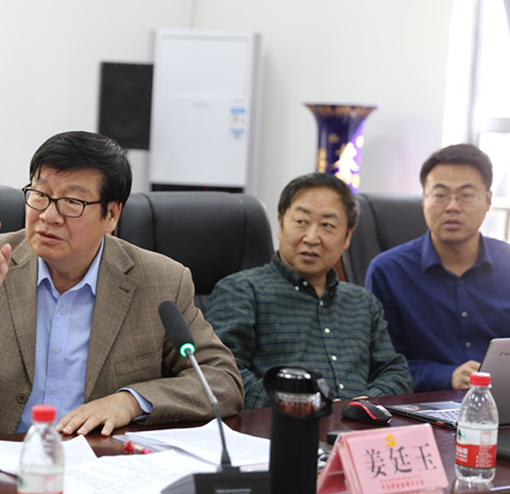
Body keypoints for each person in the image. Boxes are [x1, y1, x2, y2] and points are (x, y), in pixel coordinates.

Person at [0, 130, 244, 439]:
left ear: (112, 215)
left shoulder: (161, 280)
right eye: (40, 195)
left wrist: (130, 402)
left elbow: (222, 381)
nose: (48, 216)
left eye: (72, 202)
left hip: (101, 467)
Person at [205, 172, 413, 408]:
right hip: (279, 425)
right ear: (281, 224)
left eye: (327, 225)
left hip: (357, 426)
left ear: (347, 236)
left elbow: (395, 372)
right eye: (301, 222)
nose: (312, 238)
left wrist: (363, 405)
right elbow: (222, 374)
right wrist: (300, 406)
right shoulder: (241, 291)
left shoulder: (363, 302)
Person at [365, 144, 510, 392]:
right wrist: (446, 376)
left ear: (487, 201)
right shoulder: (388, 271)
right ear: (424, 199)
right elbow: (380, 365)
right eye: (440, 195)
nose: (452, 206)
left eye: (466, 195)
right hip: (422, 405)